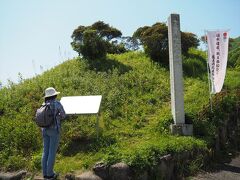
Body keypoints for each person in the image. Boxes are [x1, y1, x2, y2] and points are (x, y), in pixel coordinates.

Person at [41, 87, 66, 179]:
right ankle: (50, 174)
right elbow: (63, 115)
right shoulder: (57, 103)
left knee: (45, 152)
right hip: (54, 130)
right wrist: (58, 116)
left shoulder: (43, 104)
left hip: (44, 130)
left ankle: (45, 174)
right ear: (54, 95)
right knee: (52, 152)